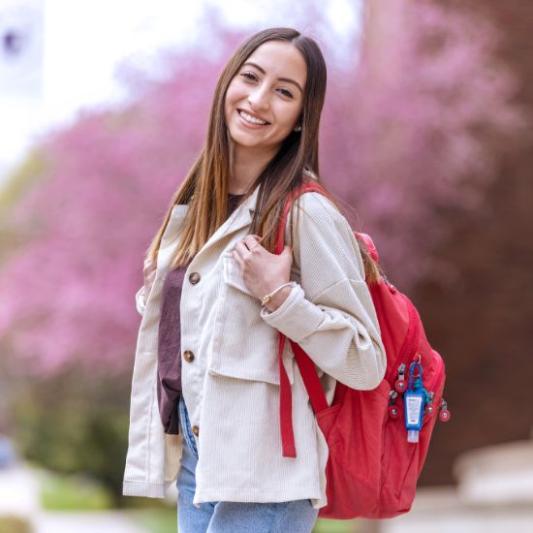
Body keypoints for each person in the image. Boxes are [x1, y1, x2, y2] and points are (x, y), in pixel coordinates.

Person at [122, 26, 386, 533]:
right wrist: (160, 292)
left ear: (299, 119)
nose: (259, 99)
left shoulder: (305, 211)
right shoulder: (200, 207)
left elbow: (365, 359)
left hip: (269, 473)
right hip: (203, 459)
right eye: (251, 77)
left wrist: (281, 296)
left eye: (284, 92)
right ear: (227, 85)